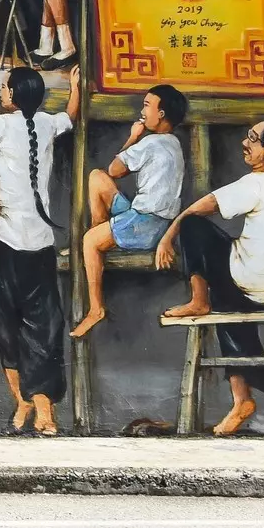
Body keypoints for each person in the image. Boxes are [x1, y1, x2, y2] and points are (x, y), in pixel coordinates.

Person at [156, 120, 264, 436]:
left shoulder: (256, 183)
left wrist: (167, 237)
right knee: (227, 298)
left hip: (244, 281)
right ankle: (242, 399)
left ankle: (198, 302)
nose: (245, 142)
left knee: (192, 226)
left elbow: (200, 208)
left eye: (252, 139)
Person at [0, 66, 79, 436]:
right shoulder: (46, 123)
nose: (0, 92)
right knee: (42, 329)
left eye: (4, 87)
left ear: (14, 95)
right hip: (38, 246)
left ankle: (33, 405)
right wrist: (74, 87)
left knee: (6, 325)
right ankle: (35, 407)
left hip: (5, 245)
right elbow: (69, 118)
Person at [71, 82, 187, 340]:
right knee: (96, 178)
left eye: (147, 105)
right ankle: (102, 239)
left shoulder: (150, 143)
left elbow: (116, 169)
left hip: (145, 224)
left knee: (89, 241)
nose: (143, 111)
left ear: (162, 114)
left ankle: (95, 308)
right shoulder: (174, 143)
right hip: (153, 220)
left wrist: (134, 137)